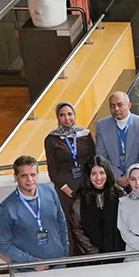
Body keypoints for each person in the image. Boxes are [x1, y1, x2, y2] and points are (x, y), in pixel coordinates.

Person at [0, 156, 69, 269]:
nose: (29, 179)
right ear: (16, 177)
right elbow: (3, 245)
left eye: (33, 174)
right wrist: (32, 262)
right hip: (29, 270)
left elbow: (61, 222)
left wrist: (65, 251)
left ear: (38, 175)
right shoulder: (5, 209)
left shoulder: (49, 191)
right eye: (24, 175)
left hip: (59, 262)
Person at [44, 101, 95, 255]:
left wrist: (89, 184)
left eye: (69, 114)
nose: (67, 118)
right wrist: (68, 191)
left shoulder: (85, 135)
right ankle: (72, 258)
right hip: (65, 188)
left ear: (74, 115)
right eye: (62, 115)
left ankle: (92, 255)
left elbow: (93, 161)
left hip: (86, 185)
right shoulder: (51, 139)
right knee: (69, 224)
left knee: (88, 220)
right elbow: (52, 171)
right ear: (57, 118)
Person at [69, 156, 125, 257]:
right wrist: (94, 253)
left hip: (119, 254)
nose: (98, 178)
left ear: (107, 173)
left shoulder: (120, 195)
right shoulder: (79, 201)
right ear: (88, 176)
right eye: (93, 174)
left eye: (102, 173)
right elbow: (77, 231)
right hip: (90, 258)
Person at [94, 91, 139, 191]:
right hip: (112, 182)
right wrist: (117, 176)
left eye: (119, 105)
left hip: (138, 181)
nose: (116, 109)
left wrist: (131, 175)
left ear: (129, 105)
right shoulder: (101, 125)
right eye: (112, 106)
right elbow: (101, 156)